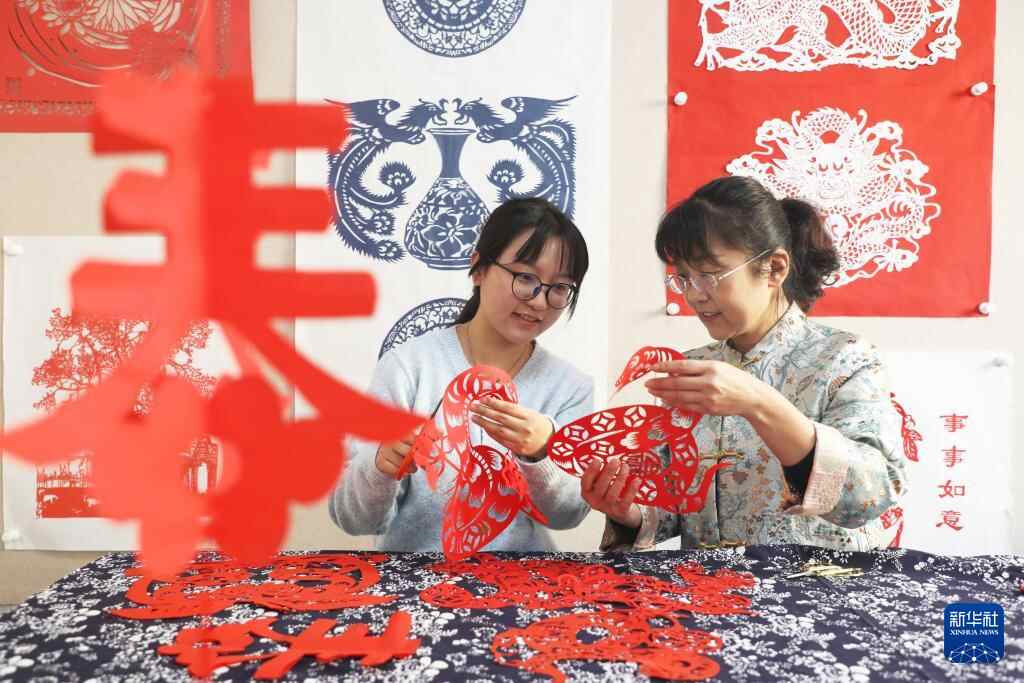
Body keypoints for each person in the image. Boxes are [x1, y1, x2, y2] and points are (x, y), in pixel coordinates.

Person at [584, 176, 906, 551]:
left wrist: (758, 402)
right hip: (706, 585)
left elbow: (872, 494)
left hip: (814, 584)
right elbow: (672, 500)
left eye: (709, 275)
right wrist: (629, 511)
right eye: (684, 278)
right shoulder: (693, 367)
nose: (694, 295)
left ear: (775, 268)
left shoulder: (843, 358)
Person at [331, 197, 594, 551]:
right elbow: (351, 518)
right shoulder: (408, 368)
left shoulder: (570, 387)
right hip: (415, 575)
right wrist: (379, 466)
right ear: (478, 268)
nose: (539, 301)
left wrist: (540, 453)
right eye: (525, 277)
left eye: (559, 288)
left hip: (523, 576)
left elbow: (568, 515)